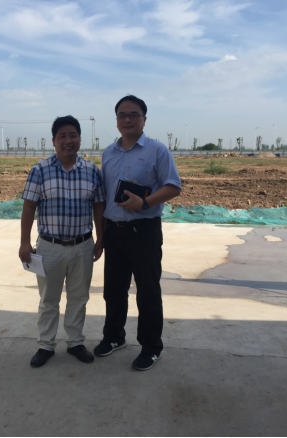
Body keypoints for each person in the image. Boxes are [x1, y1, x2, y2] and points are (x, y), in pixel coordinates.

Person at [94, 95, 182, 371]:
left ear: (144, 119)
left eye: (134, 114)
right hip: (115, 232)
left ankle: (151, 346)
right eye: (122, 115)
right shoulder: (108, 153)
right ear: (116, 120)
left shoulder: (157, 150)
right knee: (113, 290)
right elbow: (103, 195)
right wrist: (101, 235)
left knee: (147, 292)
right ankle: (114, 337)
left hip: (144, 232)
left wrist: (144, 202)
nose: (128, 119)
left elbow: (173, 186)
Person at [19, 115, 106, 368]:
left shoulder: (91, 171)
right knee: (49, 300)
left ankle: (75, 342)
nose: (68, 141)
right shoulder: (40, 170)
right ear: (54, 141)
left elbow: (98, 206)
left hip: (83, 246)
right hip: (50, 246)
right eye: (62, 136)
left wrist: (101, 238)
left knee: (79, 297)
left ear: (79, 139)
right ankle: (46, 345)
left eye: (73, 135)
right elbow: (29, 207)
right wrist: (25, 242)